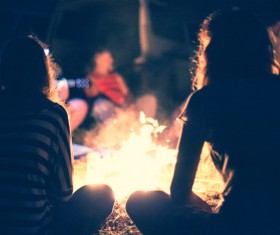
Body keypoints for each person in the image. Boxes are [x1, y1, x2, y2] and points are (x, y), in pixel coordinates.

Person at [126, 8, 280, 235]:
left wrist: (208, 211)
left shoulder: (205, 100)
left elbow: (179, 192)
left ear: (214, 52)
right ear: (263, 49)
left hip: (237, 225)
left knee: (141, 201)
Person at [0, 35, 115, 235]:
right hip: (33, 228)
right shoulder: (53, 114)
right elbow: (63, 194)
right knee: (102, 193)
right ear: (43, 71)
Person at [84, 48, 132, 123]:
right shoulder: (90, 78)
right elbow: (91, 95)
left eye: (111, 58)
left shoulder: (116, 77)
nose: (112, 61)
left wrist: (131, 106)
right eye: (108, 59)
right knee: (101, 105)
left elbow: (127, 94)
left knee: (149, 99)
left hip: (124, 107)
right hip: (107, 109)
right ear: (98, 60)